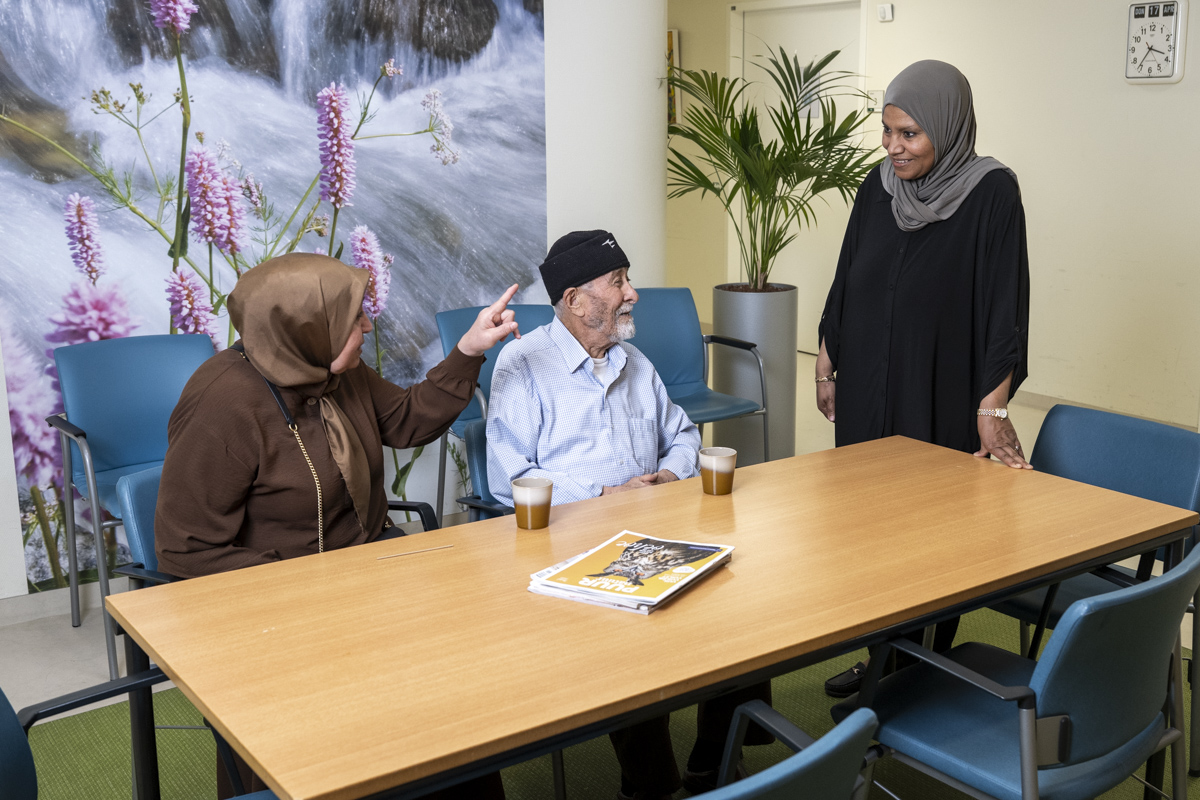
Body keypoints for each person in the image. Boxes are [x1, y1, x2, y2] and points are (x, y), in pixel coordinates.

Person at [155, 252, 518, 799]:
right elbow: (185, 550)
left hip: (368, 582)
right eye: (355, 319)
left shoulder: (334, 370)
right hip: (277, 611)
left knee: (454, 695)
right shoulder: (222, 402)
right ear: (304, 330)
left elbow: (403, 419)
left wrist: (467, 353)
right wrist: (314, 583)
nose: (369, 326)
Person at [487, 230, 771, 800]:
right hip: (571, 545)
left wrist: (666, 477)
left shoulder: (634, 362)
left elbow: (684, 436)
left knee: (743, 614)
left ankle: (712, 767)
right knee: (632, 655)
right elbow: (507, 477)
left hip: (657, 532)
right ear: (574, 299)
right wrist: (602, 495)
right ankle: (652, 788)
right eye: (617, 282)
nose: (633, 293)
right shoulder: (523, 364)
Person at [815, 60, 1032, 698]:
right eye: (886, 132)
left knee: (932, 535)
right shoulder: (877, 185)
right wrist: (828, 356)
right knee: (865, 525)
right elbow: (848, 268)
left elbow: (1005, 305)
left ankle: (921, 665)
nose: (894, 148)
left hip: (938, 381)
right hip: (869, 381)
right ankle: (880, 656)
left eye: (909, 134)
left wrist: (991, 409)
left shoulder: (992, 191)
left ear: (947, 125)